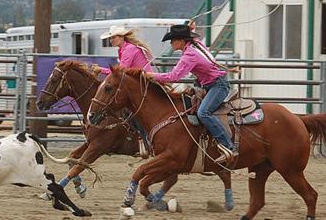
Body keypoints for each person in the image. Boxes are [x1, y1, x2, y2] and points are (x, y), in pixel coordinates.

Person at [145, 24, 237, 164]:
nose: (171, 43)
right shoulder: (195, 44)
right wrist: (189, 28)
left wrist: (152, 76)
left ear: (181, 41)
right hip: (209, 83)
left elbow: (174, 76)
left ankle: (228, 146)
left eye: (173, 39)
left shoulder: (189, 55)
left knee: (203, 113)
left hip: (217, 86)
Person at [91, 25, 154, 156]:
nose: (111, 40)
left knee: (133, 111)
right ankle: (141, 140)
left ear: (121, 37)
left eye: (113, 37)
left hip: (144, 83)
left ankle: (146, 141)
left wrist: (100, 70)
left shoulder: (129, 50)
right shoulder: (125, 49)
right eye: (110, 38)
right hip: (139, 83)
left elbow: (119, 73)